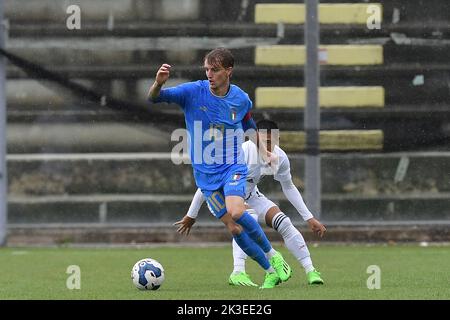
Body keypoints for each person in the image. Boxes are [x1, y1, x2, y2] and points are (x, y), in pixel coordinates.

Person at [148, 48, 291, 289]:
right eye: (207, 69)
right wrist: (157, 84)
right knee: (234, 228)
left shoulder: (240, 98)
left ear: (228, 71)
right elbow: (154, 98)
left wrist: (265, 151)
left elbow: (248, 124)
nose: (209, 74)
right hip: (205, 175)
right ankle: (270, 272)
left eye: (214, 70)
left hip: (232, 165)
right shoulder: (193, 91)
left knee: (236, 211)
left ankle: (274, 256)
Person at [175, 119, 326, 286]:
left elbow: (289, 187)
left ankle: (310, 271)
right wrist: (192, 214)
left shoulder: (281, 158)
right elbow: (207, 185)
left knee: (284, 223)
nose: (265, 146)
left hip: (250, 195)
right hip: (220, 195)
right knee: (246, 219)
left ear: (278, 140)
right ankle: (238, 271)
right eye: (261, 142)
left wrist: (309, 218)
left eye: (270, 142)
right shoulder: (242, 153)